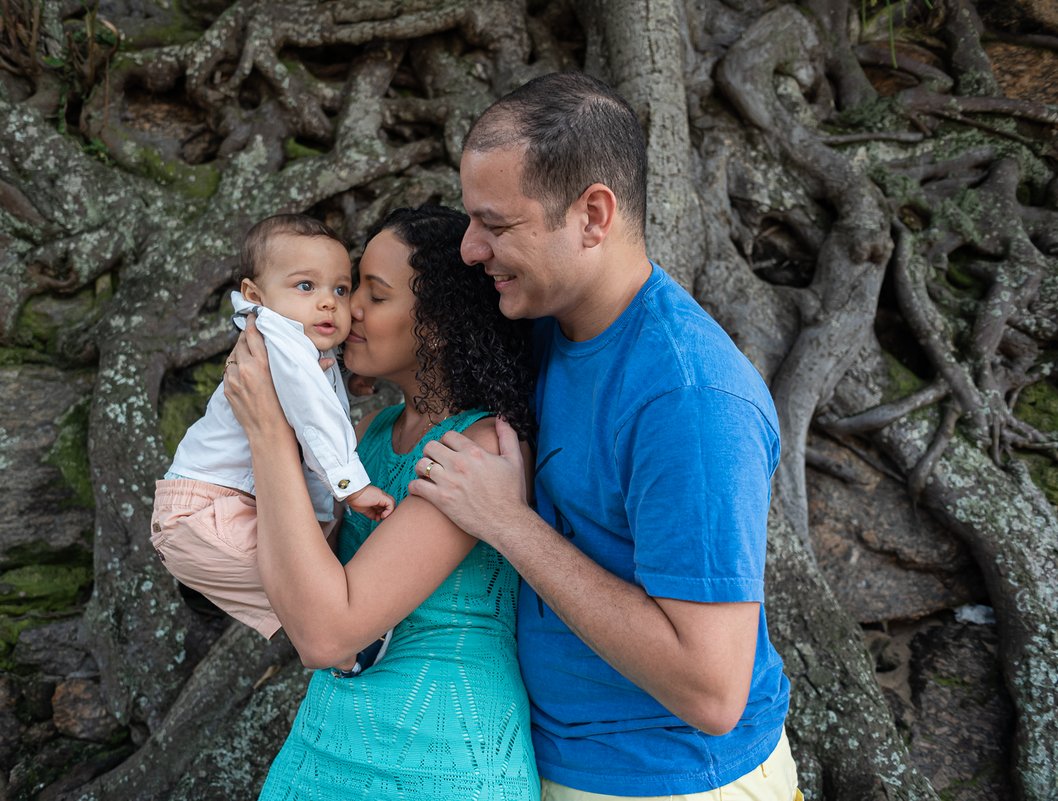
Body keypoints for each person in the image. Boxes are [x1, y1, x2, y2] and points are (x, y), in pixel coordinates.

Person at [407, 72, 800, 800]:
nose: (470, 248)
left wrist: (507, 523)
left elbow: (711, 691)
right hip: (545, 759)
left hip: (669, 781)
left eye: (495, 224)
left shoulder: (689, 399)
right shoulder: (547, 327)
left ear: (593, 215)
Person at [223, 205, 541, 800]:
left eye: (373, 293)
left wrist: (269, 431)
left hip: (443, 765)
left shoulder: (479, 449)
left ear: (439, 322)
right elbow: (301, 582)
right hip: (324, 745)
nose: (345, 310)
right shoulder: (373, 432)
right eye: (346, 289)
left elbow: (324, 635)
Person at [151, 214, 395, 671]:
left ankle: (347, 635)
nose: (328, 303)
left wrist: (345, 374)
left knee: (310, 566)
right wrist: (352, 485)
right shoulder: (277, 336)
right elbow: (310, 408)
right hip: (206, 512)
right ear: (256, 298)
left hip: (230, 506)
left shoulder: (293, 341)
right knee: (306, 580)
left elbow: (307, 383)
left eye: (340, 290)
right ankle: (347, 640)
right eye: (306, 286)